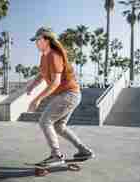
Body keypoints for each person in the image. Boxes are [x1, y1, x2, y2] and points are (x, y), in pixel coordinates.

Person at [26, 27, 94, 166]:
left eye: (38, 40)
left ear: (46, 40)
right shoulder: (44, 56)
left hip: (69, 94)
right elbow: (41, 74)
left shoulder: (54, 55)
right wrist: (32, 85)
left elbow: (56, 82)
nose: (36, 43)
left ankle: (56, 155)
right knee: (59, 127)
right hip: (68, 94)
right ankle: (84, 151)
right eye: (35, 41)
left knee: (45, 121)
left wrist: (37, 99)